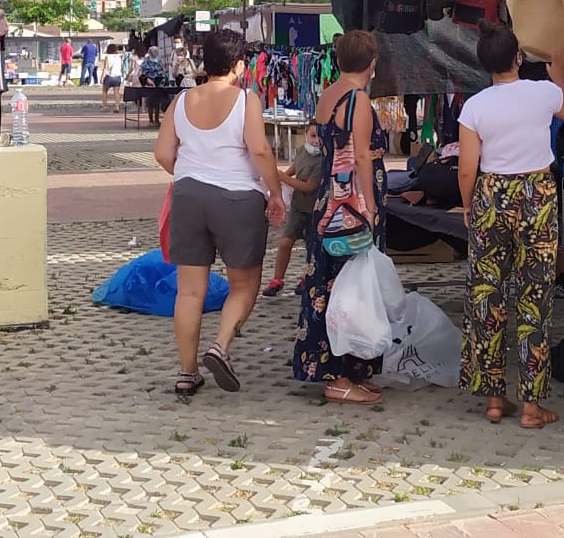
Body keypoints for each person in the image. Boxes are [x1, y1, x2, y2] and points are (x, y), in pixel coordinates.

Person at [456, 25, 564, 428]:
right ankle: (532, 406)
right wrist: (559, 75)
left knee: (486, 295)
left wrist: (467, 206)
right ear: (518, 57)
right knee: (535, 297)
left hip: (491, 194)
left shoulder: (474, 106)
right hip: (536, 195)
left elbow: (466, 169)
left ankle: (494, 400)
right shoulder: (543, 92)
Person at [154, 26, 283, 396]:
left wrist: (190, 174)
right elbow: (259, 150)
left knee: (190, 292)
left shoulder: (180, 101)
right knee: (244, 284)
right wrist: (275, 192)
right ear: (240, 66)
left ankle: (186, 372)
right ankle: (220, 346)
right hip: (238, 199)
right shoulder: (246, 100)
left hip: (188, 197)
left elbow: (163, 154)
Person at [290, 30, 388, 405]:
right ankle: (338, 374)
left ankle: (349, 369)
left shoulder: (329, 93)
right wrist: (369, 204)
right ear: (372, 61)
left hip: (329, 200)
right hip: (350, 202)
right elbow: (360, 155)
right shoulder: (358, 99)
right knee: (351, 286)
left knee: (334, 283)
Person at [263, 125, 323, 297]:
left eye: (319, 137)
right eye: (312, 136)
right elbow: (293, 169)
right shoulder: (301, 152)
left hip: (315, 209)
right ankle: (277, 279)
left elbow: (309, 186)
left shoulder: (322, 161)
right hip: (298, 207)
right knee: (285, 242)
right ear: (305, 135)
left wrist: (284, 178)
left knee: (312, 248)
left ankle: (307, 277)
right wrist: (279, 177)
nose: (316, 141)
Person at [100, 43, 125, 112]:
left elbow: (105, 68)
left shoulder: (107, 57)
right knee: (116, 92)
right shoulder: (119, 57)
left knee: (104, 91)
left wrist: (102, 77)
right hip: (117, 76)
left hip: (109, 76)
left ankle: (105, 106)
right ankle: (117, 107)